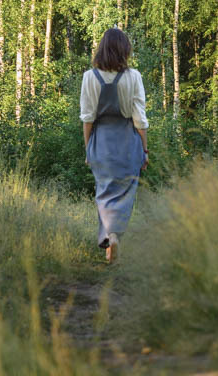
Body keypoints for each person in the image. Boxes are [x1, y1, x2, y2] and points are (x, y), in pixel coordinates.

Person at [80, 27, 149, 263]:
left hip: (101, 142)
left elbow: (87, 118)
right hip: (128, 142)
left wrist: (89, 148)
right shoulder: (134, 77)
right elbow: (140, 119)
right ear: (124, 50)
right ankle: (114, 236)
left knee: (104, 193)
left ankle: (110, 240)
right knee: (125, 194)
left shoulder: (90, 77)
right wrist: (145, 149)